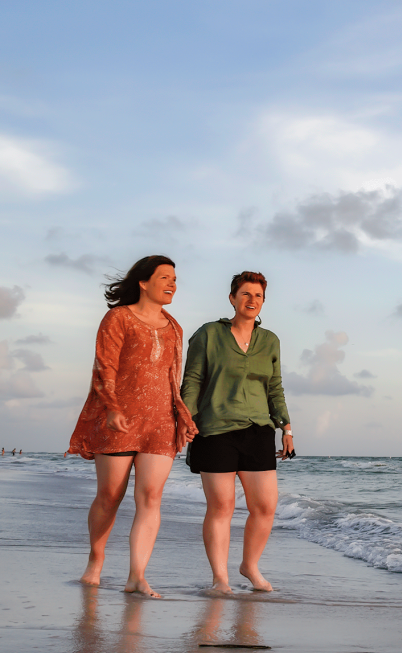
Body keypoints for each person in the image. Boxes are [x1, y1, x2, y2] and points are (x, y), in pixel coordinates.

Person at [67, 255, 198, 597]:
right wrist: (110, 408)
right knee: (110, 496)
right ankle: (96, 560)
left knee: (151, 497)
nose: (172, 284)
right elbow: (104, 367)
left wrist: (182, 416)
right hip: (119, 420)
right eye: (165, 277)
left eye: (174, 279)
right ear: (143, 282)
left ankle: (137, 576)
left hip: (159, 423)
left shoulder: (174, 327)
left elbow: (173, 379)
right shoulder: (117, 318)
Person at [181, 271, 295, 593]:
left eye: (258, 296)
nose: (252, 301)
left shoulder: (270, 341)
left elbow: (275, 388)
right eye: (245, 294)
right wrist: (185, 418)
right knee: (221, 508)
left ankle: (250, 565)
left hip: (258, 431)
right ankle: (220, 578)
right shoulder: (208, 334)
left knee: (265, 507)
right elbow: (192, 381)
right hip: (215, 429)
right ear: (232, 298)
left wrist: (286, 427)